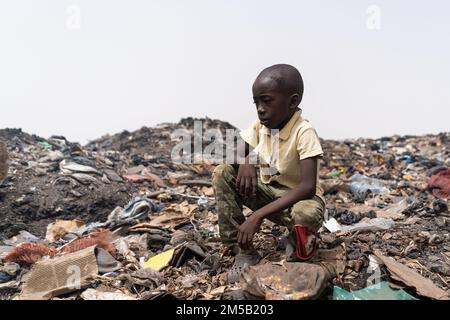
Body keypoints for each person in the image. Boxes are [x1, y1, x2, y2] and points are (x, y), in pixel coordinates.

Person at [212, 64, 326, 283]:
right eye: (256, 102)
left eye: (267, 100)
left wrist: (257, 215)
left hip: (298, 200)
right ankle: (242, 249)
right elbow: (233, 155)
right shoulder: (260, 126)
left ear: (292, 101)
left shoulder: (304, 131)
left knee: (306, 215)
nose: (260, 109)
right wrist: (247, 161)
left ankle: (299, 241)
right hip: (269, 194)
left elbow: (307, 187)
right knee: (223, 173)